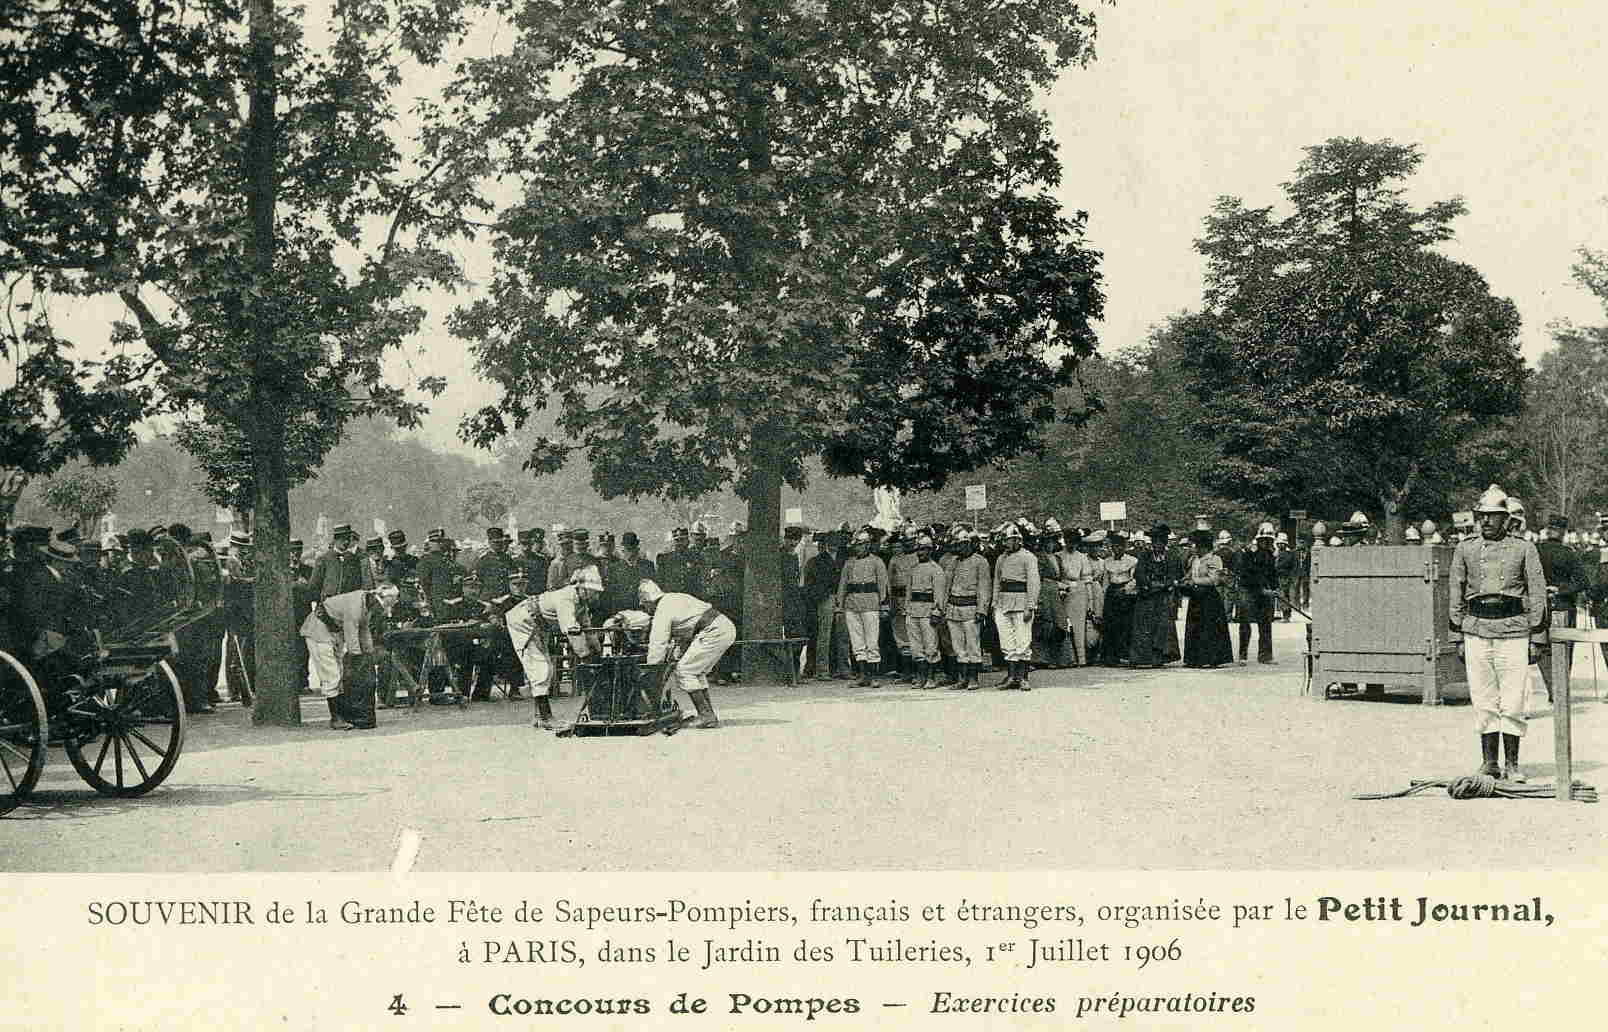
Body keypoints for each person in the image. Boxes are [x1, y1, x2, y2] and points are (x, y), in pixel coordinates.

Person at [1449, 484, 1547, 782]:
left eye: (1493, 516)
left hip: (1514, 628)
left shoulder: (1524, 548)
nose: (1487, 521)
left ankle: (1513, 764)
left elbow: (1538, 591)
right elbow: (1456, 590)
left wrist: (1537, 637)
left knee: (1514, 699)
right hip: (1477, 629)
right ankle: (1490, 762)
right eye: (1482, 516)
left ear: (1507, 520)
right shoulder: (1465, 548)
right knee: (1483, 698)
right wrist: (1457, 636)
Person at [505, 565, 604, 729]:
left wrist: (599, 654)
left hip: (538, 625)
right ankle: (545, 717)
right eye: (593, 591)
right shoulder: (566, 598)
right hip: (523, 622)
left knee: (546, 668)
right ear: (582, 589)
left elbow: (588, 630)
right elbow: (572, 631)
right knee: (541, 669)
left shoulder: (581, 603)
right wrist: (586, 658)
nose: (596, 595)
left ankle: (539, 716)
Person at [637, 578, 737, 729]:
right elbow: (688, 627)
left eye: (644, 605)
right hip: (722, 626)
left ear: (649, 601)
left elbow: (658, 643)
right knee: (697, 672)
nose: (646, 609)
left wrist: (652, 670)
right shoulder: (675, 597)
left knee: (685, 671)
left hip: (713, 630)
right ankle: (707, 714)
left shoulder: (662, 610)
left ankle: (706, 715)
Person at [299, 584, 388, 730]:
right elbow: (351, 634)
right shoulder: (355, 606)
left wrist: (369, 652)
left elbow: (364, 630)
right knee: (331, 676)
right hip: (319, 632)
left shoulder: (365, 604)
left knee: (339, 674)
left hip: (333, 634)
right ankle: (335, 718)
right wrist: (358, 657)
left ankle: (343, 715)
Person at [1534, 514, 1588, 703]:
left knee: (1543, 646)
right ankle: (1560, 690)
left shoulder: (1535, 550)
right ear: (1563, 532)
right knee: (1566, 647)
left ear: (1548, 529)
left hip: (1541, 605)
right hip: (1564, 604)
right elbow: (1582, 582)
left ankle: (1552, 689)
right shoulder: (1569, 554)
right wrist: (1561, 589)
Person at [836, 530, 889, 687]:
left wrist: (884, 604)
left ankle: (873, 676)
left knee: (871, 641)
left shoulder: (877, 562)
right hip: (852, 604)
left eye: (860, 545)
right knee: (857, 641)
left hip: (870, 604)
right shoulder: (849, 563)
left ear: (867, 545)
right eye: (856, 545)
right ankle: (862, 675)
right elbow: (843, 584)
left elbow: (883, 584)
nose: (857, 548)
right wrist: (840, 604)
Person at [990, 522, 1040, 690]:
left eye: (1008, 540)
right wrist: (994, 603)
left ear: (1018, 540)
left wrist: (1030, 606)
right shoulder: (1001, 558)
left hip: (1021, 603)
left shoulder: (1028, 557)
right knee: (1007, 641)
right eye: (1004, 540)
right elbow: (997, 581)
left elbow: (1033, 583)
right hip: (1003, 604)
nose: (1005, 543)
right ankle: (1011, 676)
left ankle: (1023, 677)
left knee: (1023, 640)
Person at [943, 529, 993, 690]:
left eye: (964, 544)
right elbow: (946, 587)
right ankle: (962, 678)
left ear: (971, 544)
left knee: (973, 644)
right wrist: (943, 608)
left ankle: (973, 678)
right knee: (958, 645)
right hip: (953, 608)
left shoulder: (980, 561)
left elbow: (984, 587)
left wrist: (982, 609)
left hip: (971, 607)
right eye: (958, 544)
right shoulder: (953, 562)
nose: (961, 548)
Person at [1128, 523, 1181, 668]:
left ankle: (1159, 657)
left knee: (1162, 627)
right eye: (1155, 542)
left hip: (1162, 597)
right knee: (1143, 626)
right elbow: (1139, 573)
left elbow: (1173, 575)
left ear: (1164, 543)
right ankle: (1141, 658)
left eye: (1160, 542)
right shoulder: (1144, 556)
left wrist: (1164, 585)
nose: (1157, 545)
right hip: (1147, 595)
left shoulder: (1171, 557)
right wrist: (1148, 585)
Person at [1182, 531, 1235, 668]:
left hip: (1209, 597)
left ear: (1203, 547)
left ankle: (1211, 658)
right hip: (1196, 597)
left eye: (1196, 546)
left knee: (1209, 628)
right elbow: (1190, 574)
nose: (1193, 549)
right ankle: (1195, 659)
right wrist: (1186, 581)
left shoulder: (1214, 559)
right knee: (1195, 627)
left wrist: (1194, 581)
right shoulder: (1195, 560)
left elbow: (1214, 579)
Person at [903, 535, 948, 689]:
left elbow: (939, 594)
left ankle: (931, 677)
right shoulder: (913, 569)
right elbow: (909, 592)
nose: (920, 552)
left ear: (929, 550)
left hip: (928, 611)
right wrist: (907, 610)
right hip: (913, 610)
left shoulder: (936, 570)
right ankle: (921, 676)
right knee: (916, 647)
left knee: (931, 646)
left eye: (923, 549)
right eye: (918, 549)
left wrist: (937, 612)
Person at [1236, 522, 1278, 664]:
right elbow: (1247, 575)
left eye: (1269, 540)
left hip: (1264, 593)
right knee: (1245, 623)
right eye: (1264, 540)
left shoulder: (1270, 556)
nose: (1266, 542)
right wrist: (1261, 589)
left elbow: (1272, 574)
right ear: (1258, 539)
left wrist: (1275, 588)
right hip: (1248, 590)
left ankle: (1265, 655)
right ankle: (1243, 655)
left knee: (1266, 623)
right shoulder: (1248, 554)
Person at [1057, 528, 1098, 667]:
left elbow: (1087, 579)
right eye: (1069, 541)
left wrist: (1091, 602)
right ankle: (1066, 658)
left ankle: (1081, 658)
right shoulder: (1058, 556)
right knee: (1064, 625)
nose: (1071, 544)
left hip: (1079, 593)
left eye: (1074, 542)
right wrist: (1062, 587)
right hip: (1063, 591)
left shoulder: (1082, 557)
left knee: (1079, 626)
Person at [1099, 533, 1137, 665]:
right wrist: (1105, 595)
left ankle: (1126, 654)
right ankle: (1111, 656)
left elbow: (1134, 579)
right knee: (1111, 625)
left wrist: (1125, 590)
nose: (1117, 549)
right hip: (1112, 593)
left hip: (1126, 593)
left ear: (1125, 547)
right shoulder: (1107, 562)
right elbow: (1105, 581)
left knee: (1126, 624)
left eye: (1119, 547)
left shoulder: (1132, 560)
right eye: (1114, 547)